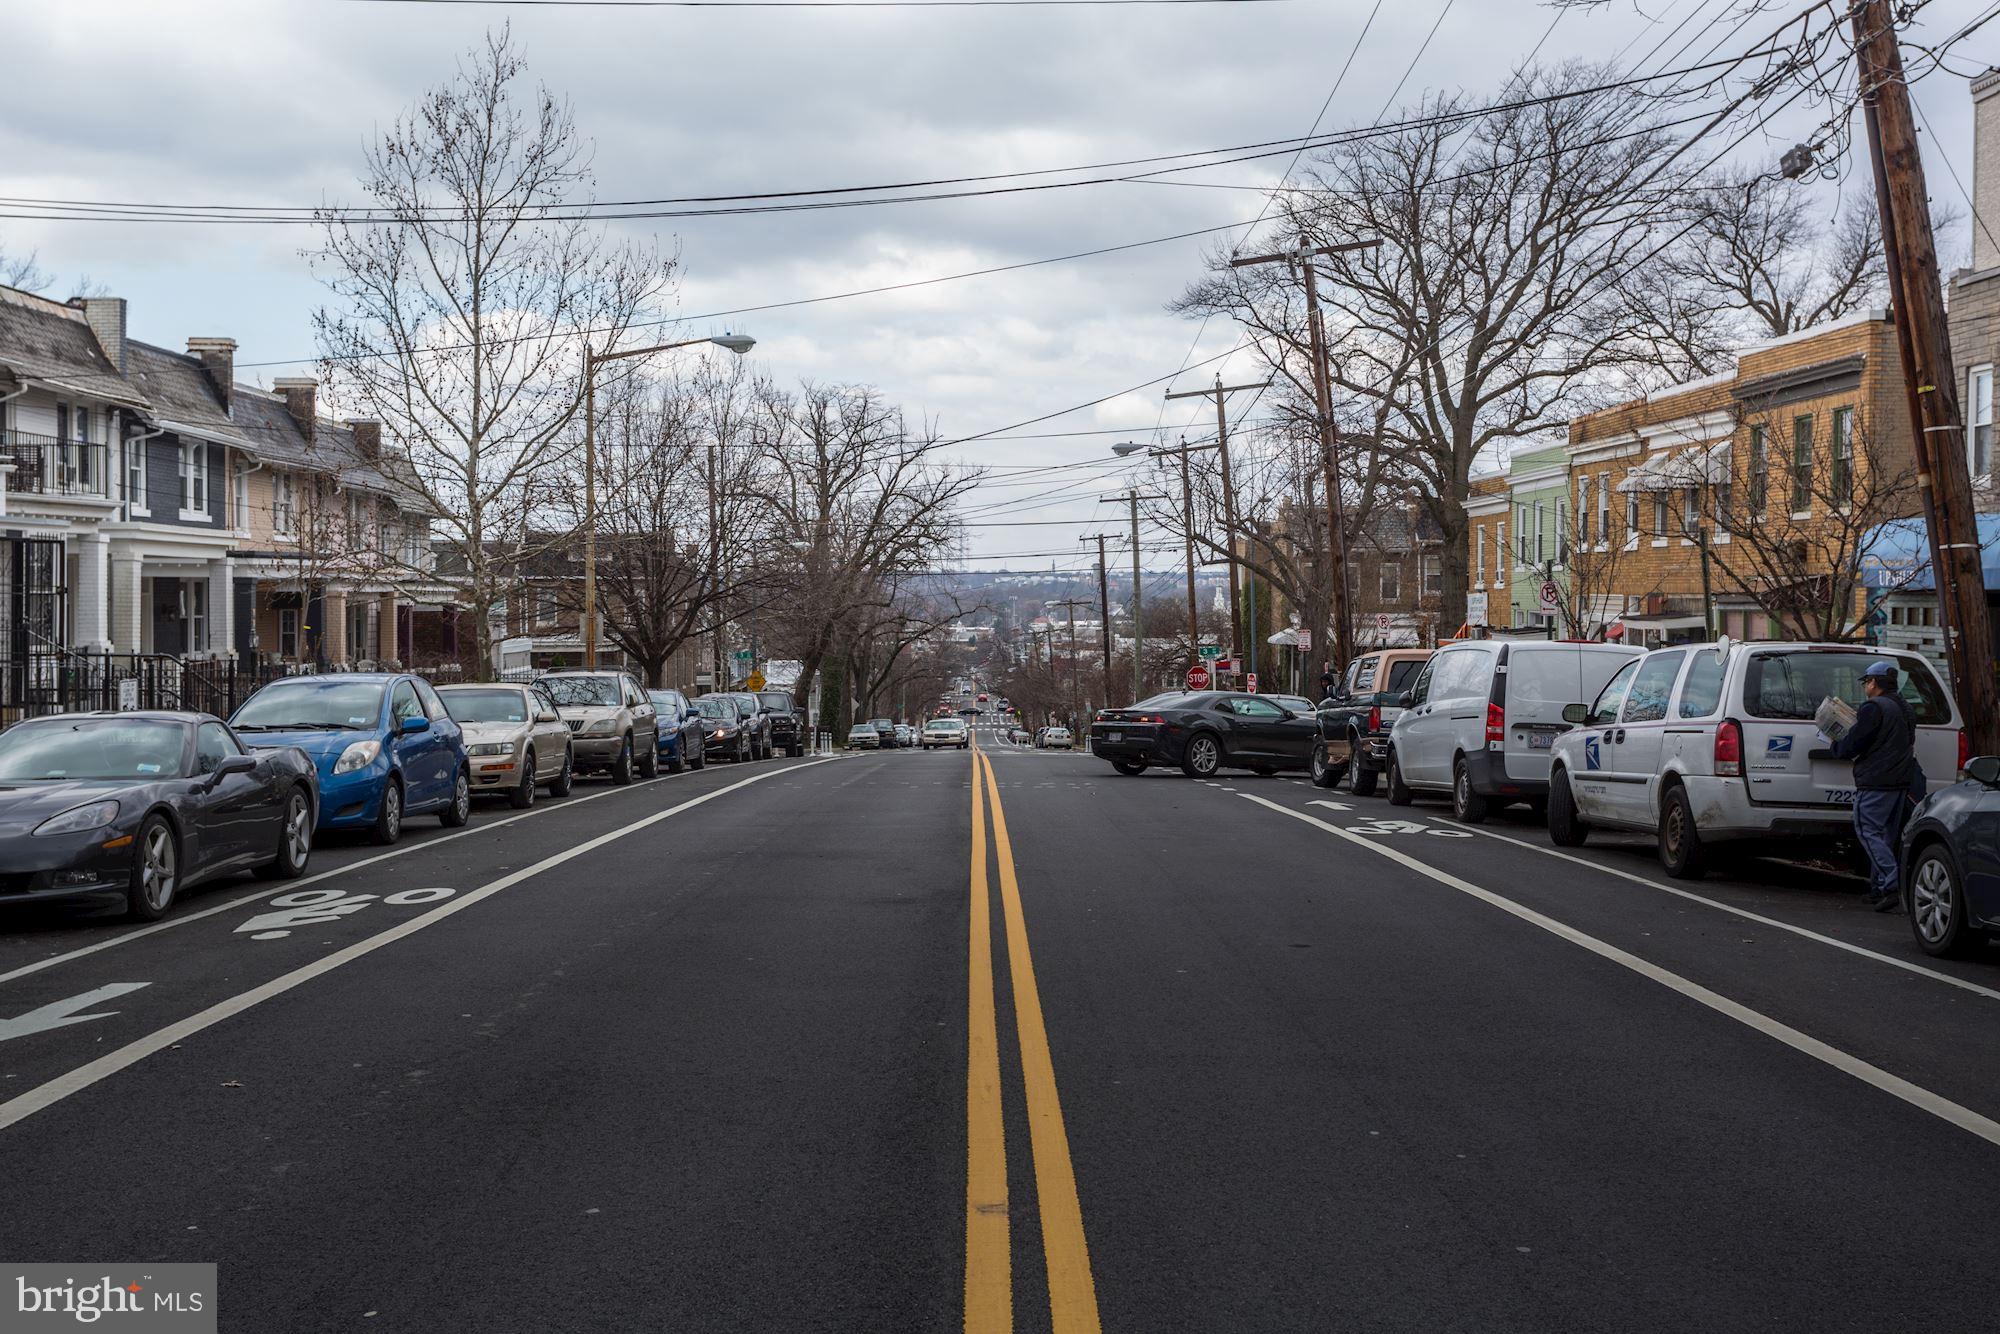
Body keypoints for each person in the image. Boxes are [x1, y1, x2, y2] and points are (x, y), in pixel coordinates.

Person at [1829, 661, 1921, 913]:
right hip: (1900, 781)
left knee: (1867, 830)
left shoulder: (1874, 707)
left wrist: (1836, 746)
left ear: (1874, 683)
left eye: (1866, 682)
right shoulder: (1905, 708)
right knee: (1886, 836)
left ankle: (1892, 884)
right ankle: (1878, 888)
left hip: (1876, 780)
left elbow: (1856, 741)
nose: (1865, 687)